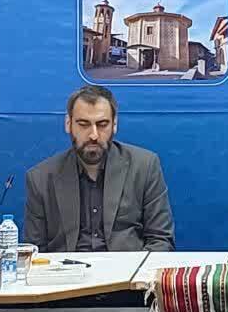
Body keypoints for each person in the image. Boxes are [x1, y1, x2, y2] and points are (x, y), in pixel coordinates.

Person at [24, 85, 175, 252]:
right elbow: (34, 252)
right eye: (83, 124)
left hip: (127, 267)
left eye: (102, 124)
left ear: (114, 124)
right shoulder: (41, 178)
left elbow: (161, 240)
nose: (94, 135)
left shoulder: (144, 167)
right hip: (66, 267)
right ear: (68, 124)